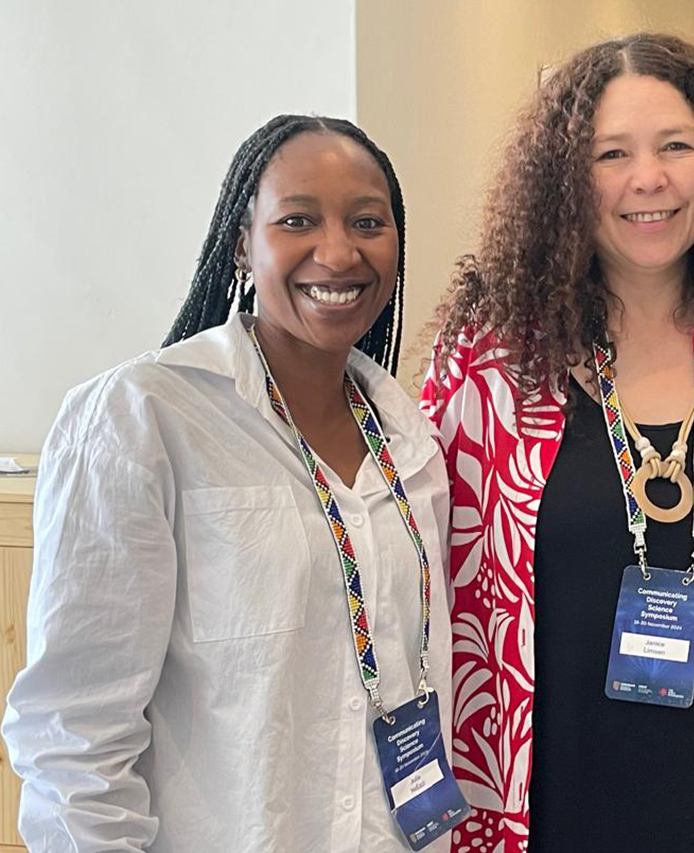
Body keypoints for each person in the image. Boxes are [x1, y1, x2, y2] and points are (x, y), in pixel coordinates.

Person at [422, 32, 694, 853]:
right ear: (566, 182)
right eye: (612, 153)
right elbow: (432, 582)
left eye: (676, 146)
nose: (649, 179)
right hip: (544, 795)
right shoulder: (487, 362)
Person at [3, 115, 456, 852]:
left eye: (367, 221)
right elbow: (73, 736)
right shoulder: (144, 419)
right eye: (298, 219)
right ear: (244, 243)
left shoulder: (411, 440)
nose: (338, 251)